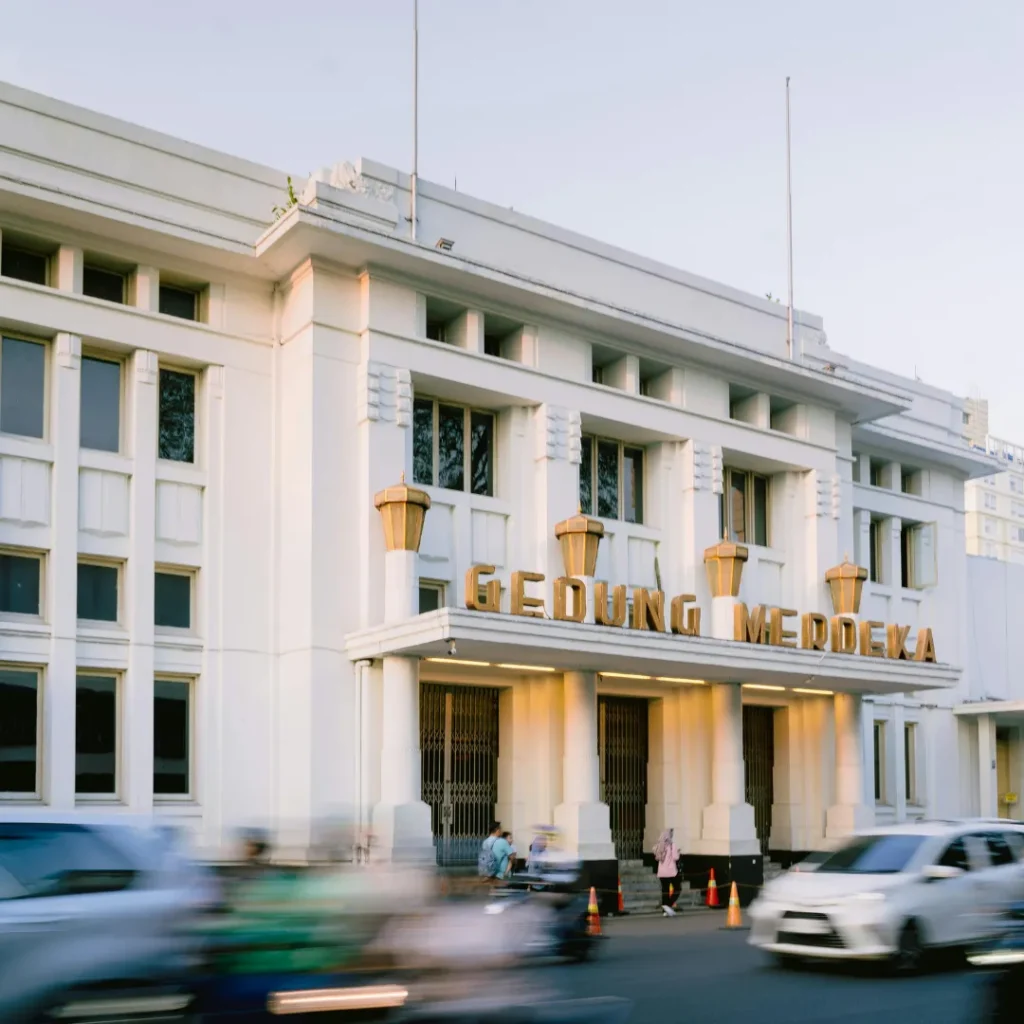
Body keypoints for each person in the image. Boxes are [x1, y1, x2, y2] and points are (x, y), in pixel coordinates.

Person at [654, 828, 680, 916]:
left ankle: (665, 910)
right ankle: (668, 905)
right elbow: (675, 857)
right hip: (671, 871)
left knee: (665, 890)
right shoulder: (672, 845)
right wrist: (678, 852)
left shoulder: (659, 845)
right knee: (677, 888)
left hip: (661, 872)